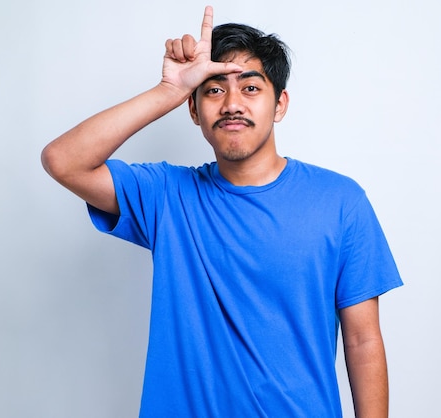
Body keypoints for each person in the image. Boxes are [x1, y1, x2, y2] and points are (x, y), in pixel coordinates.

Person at [41, 6, 403, 417]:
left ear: (279, 103)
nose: (232, 103)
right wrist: (168, 90)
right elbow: (63, 160)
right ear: (193, 110)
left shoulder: (341, 202)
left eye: (250, 88)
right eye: (213, 90)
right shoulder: (167, 196)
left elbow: (363, 340)